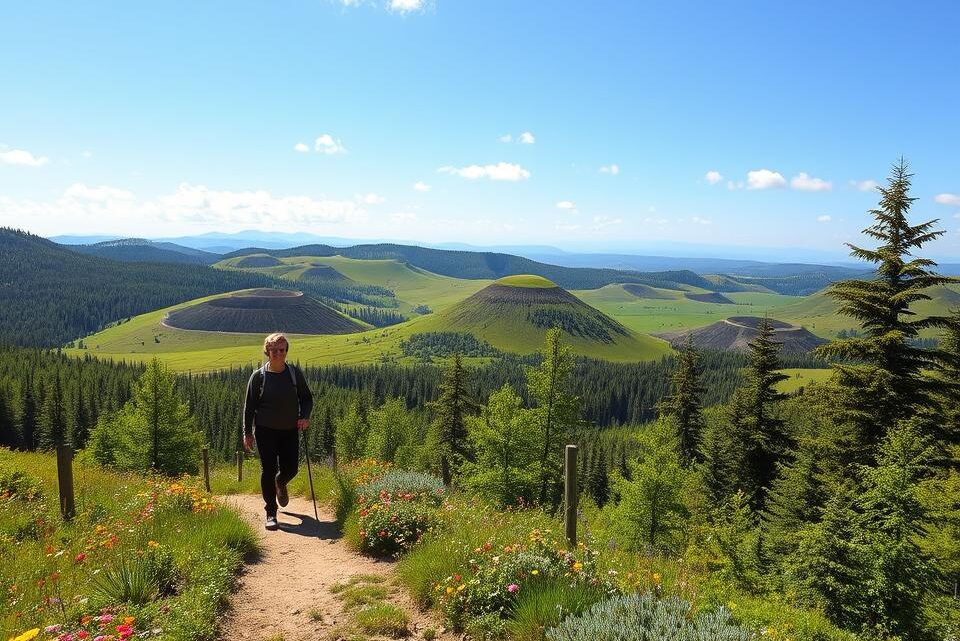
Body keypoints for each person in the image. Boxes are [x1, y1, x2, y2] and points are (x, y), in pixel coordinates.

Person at [243, 332, 313, 530]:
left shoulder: (293, 373)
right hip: (265, 430)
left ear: (286, 351)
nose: (277, 354)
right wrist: (247, 433)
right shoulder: (258, 377)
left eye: (281, 350)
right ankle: (271, 513)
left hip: (290, 429)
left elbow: (306, 398)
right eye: (273, 350)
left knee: (291, 469)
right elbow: (249, 407)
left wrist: (305, 417)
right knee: (268, 469)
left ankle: (280, 483)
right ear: (267, 352)